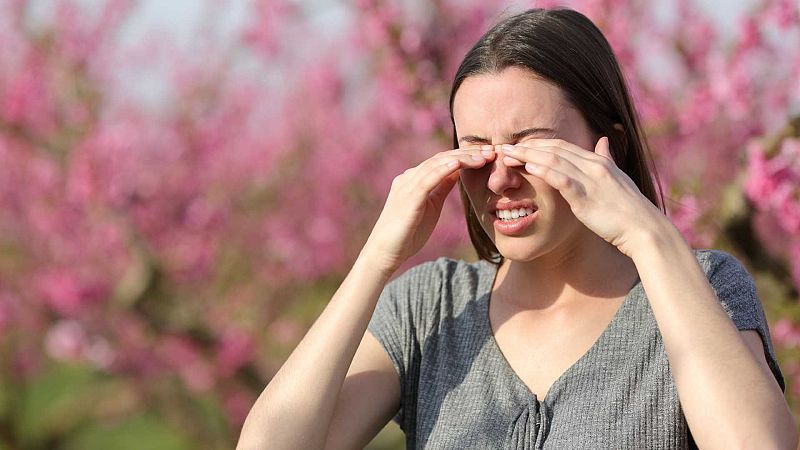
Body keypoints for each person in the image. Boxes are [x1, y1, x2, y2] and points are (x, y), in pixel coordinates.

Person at [236, 8, 797, 450]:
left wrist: (648, 238)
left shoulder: (701, 287)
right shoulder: (428, 309)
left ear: (608, 146)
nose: (500, 178)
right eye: (476, 150)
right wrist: (377, 257)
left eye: (529, 145)